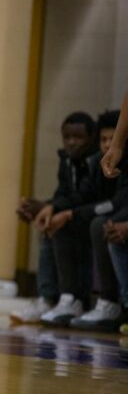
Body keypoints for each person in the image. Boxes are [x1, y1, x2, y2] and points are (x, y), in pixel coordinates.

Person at [10, 112, 96, 325]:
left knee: (59, 225)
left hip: (92, 213)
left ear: (91, 139)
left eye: (78, 137)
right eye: (67, 137)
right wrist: (38, 208)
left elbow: (85, 195)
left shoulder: (97, 161)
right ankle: (47, 299)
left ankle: (72, 299)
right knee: (48, 225)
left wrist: (50, 207)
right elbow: (63, 194)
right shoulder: (65, 160)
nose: (71, 142)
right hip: (75, 213)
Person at [63, 110, 128, 331]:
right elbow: (83, 197)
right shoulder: (97, 164)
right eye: (105, 139)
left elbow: (118, 202)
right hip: (113, 216)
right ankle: (69, 298)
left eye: (113, 139)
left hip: (119, 217)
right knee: (66, 225)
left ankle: (115, 302)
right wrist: (56, 210)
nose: (108, 144)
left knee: (104, 226)